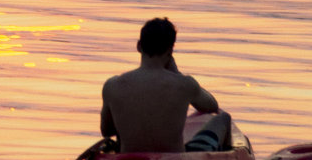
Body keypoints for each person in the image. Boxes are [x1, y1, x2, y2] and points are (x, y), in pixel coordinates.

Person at [99, 17, 233, 153]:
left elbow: (107, 131)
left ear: (139, 46)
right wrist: (177, 73)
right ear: (170, 51)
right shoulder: (184, 84)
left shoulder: (113, 85)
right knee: (224, 118)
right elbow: (211, 106)